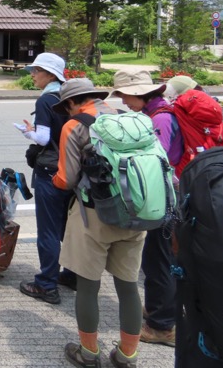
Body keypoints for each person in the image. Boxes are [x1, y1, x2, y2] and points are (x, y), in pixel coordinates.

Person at [52, 78, 146, 368]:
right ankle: (127, 355)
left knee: (88, 285)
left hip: (93, 215)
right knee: (129, 286)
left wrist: (53, 179)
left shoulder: (75, 124)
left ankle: (89, 353)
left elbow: (66, 179)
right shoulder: (127, 118)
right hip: (135, 213)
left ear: (71, 102)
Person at [111, 68, 183, 348]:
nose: (125, 102)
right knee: (158, 258)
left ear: (140, 94)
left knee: (159, 261)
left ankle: (163, 326)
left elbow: (155, 161)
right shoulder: (158, 114)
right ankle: (158, 309)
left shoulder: (161, 119)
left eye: (126, 96)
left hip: (164, 197)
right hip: (167, 195)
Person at [17, 52, 76, 305]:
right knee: (69, 227)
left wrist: (27, 133)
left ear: (50, 74)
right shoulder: (70, 96)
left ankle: (47, 285)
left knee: (49, 230)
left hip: (50, 171)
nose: (32, 75)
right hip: (73, 168)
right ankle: (74, 275)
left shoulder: (46, 101)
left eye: (36, 70)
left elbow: (43, 139)